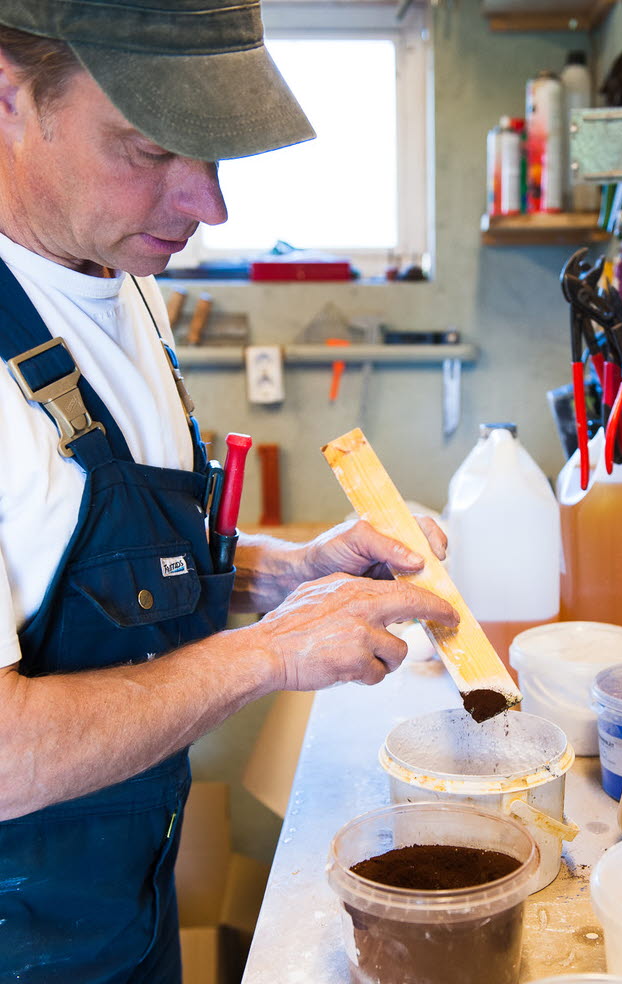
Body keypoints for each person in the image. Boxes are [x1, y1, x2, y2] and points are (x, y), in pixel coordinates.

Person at [0, 2, 458, 981]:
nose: (208, 205)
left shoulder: (124, 276)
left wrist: (288, 572)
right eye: (151, 148)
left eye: (215, 155)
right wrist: (268, 652)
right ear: (9, 96)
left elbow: (89, 574)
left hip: (126, 909)